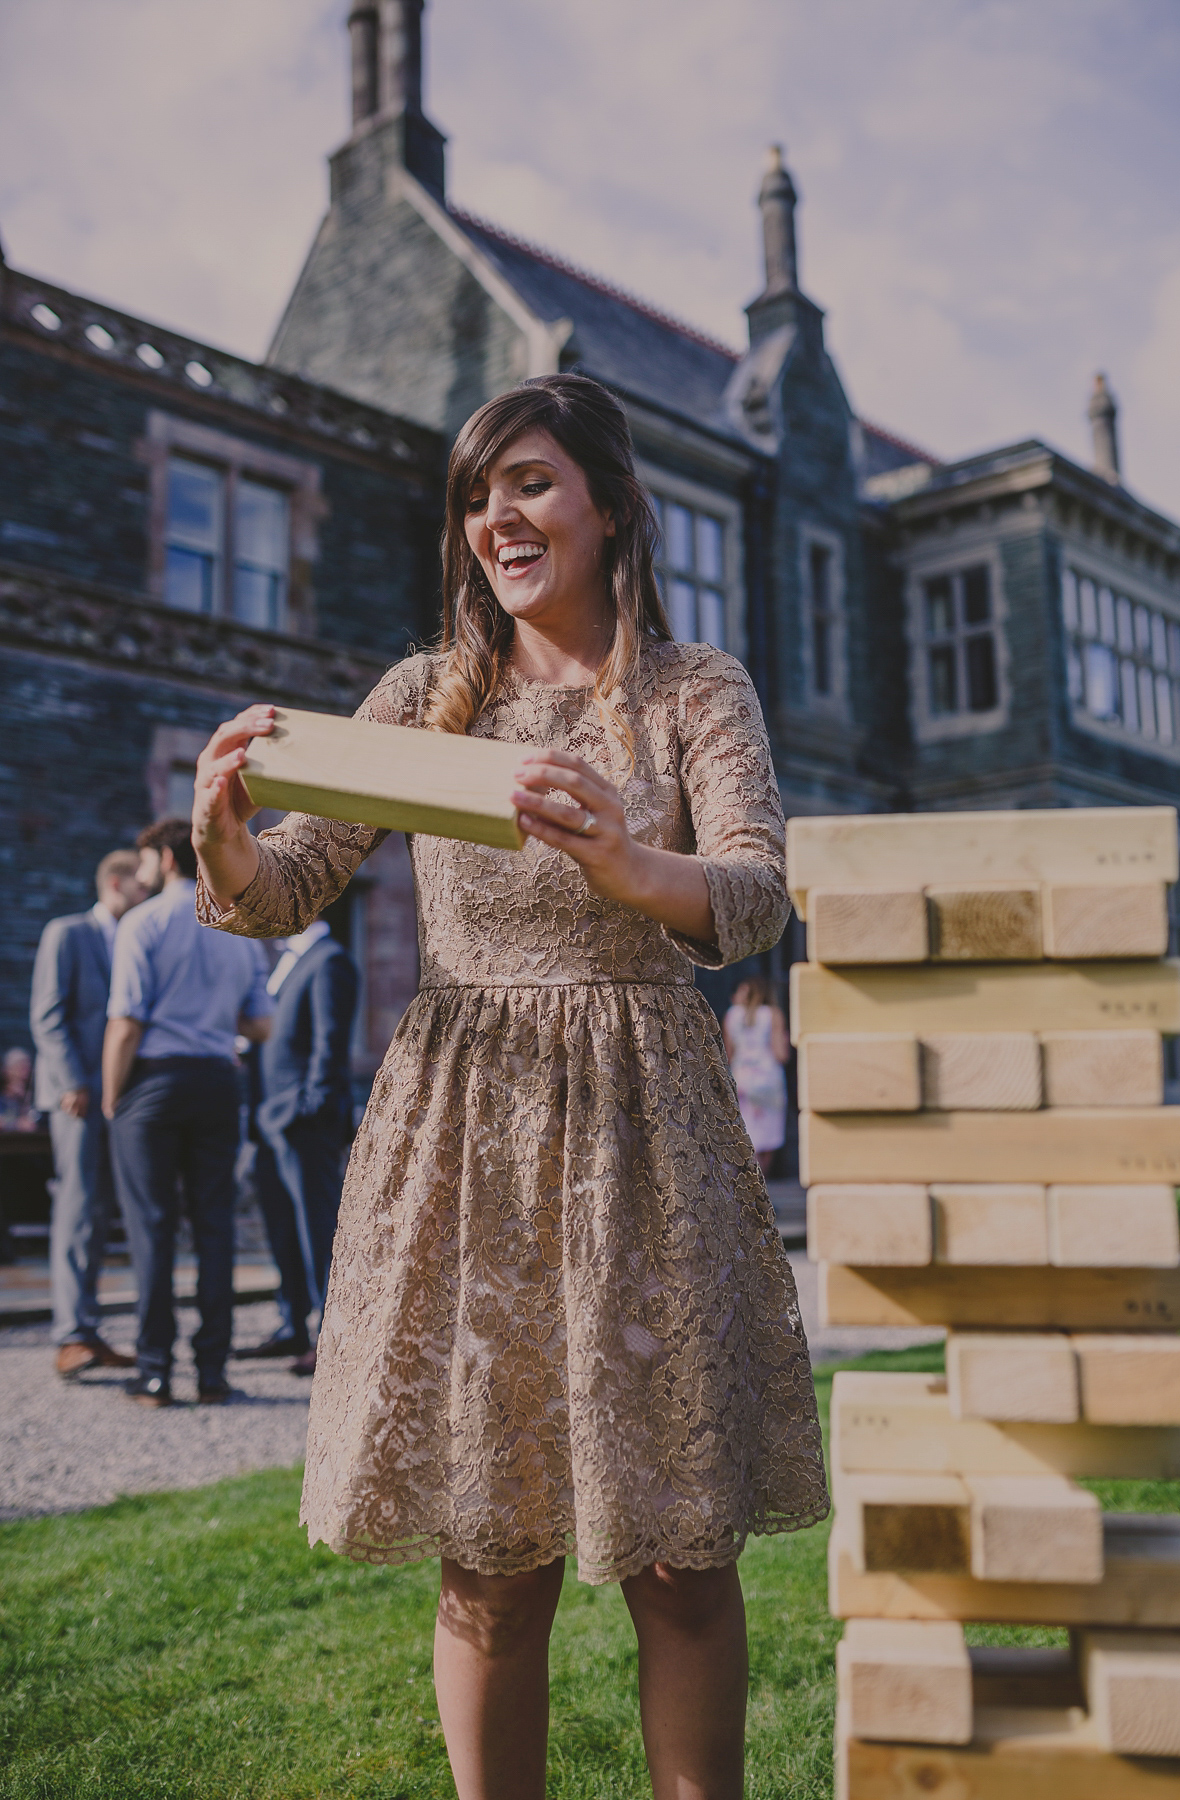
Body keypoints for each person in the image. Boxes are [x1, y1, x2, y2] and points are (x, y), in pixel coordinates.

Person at [192, 373, 828, 1799]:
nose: (499, 516)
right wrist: (224, 835)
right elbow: (287, 883)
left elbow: (756, 895)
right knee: (491, 1549)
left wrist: (624, 862)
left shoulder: (690, 688)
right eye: (480, 495)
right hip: (466, 1125)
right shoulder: (427, 698)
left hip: (642, 1126)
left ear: (609, 507)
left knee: (676, 1550)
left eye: (531, 482)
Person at [102, 818, 273, 1407]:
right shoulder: (236, 929)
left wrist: (110, 1093)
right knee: (215, 1226)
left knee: (151, 1229)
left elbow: (125, 1021)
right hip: (217, 1081)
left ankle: (154, 1371)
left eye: (146, 861)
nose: (141, 871)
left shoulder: (141, 923)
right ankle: (213, 1371)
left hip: (153, 1084)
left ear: (166, 861)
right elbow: (261, 1024)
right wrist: (213, 1011)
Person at [29, 849, 145, 1376]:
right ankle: (69, 1335)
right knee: (76, 1212)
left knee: (99, 1218)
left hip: (119, 1100)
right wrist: (73, 1082)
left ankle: (90, 1331)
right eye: (140, 886)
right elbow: (48, 1017)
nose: (146, 894)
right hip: (75, 1098)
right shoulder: (67, 932)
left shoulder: (134, 941)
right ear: (117, 883)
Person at [235, 916, 358, 1375]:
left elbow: (331, 1042)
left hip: (303, 1122)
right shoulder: (285, 960)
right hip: (268, 1119)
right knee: (282, 1228)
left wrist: (311, 1107)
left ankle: (331, 1335)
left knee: (317, 1229)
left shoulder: (331, 961)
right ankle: (292, 1324)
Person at [723, 977, 790, 1177]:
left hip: (741, 1079)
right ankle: (763, 1187)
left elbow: (728, 1055)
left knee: (746, 1134)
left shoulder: (731, 1015)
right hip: (767, 1080)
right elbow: (780, 1054)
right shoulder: (772, 1014)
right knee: (768, 1137)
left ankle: (748, 1186)